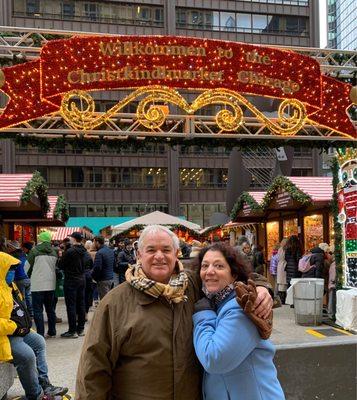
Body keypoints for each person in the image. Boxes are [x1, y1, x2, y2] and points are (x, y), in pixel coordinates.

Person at [76, 225, 274, 399]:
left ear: (176, 252)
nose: (159, 256)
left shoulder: (193, 284)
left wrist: (262, 287)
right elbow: (93, 368)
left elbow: (232, 274)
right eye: (151, 250)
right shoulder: (115, 303)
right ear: (139, 255)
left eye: (166, 249)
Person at [193, 243, 285, 399]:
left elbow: (214, 359)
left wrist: (203, 315)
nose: (209, 271)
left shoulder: (243, 307)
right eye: (205, 266)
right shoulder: (217, 302)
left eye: (219, 266)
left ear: (234, 274)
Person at [0, 251, 68, 400]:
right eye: (9, 269)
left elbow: (21, 309)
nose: (12, 272)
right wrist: (13, 326)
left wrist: (25, 325)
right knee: (27, 356)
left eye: (13, 269)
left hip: (19, 331)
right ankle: (35, 395)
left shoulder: (11, 286)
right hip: (6, 336)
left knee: (39, 342)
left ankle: (45, 384)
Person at [59, 232, 92, 338]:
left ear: (74, 239)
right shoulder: (84, 251)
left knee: (71, 305)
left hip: (71, 279)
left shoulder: (70, 251)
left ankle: (72, 330)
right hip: (82, 279)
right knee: (81, 304)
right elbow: (89, 263)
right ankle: (80, 329)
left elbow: (61, 265)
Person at [27, 231, 58, 338]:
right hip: (51, 284)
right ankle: (52, 331)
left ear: (40, 239)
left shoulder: (34, 251)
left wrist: (31, 275)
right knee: (50, 309)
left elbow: (26, 267)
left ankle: (40, 333)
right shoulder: (54, 252)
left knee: (38, 310)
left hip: (37, 284)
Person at [7, 240, 33, 317]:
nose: (8, 249)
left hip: (19, 279)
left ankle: (25, 313)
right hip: (27, 278)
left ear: (12, 247)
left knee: (22, 297)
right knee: (28, 296)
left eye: (9, 247)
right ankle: (31, 312)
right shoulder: (24, 254)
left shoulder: (12, 256)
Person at [277, 239, 288, 304]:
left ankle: (282, 300)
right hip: (284, 266)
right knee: (284, 283)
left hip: (280, 266)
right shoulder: (285, 250)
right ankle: (284, 299)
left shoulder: (279, 249)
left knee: (281, 284)